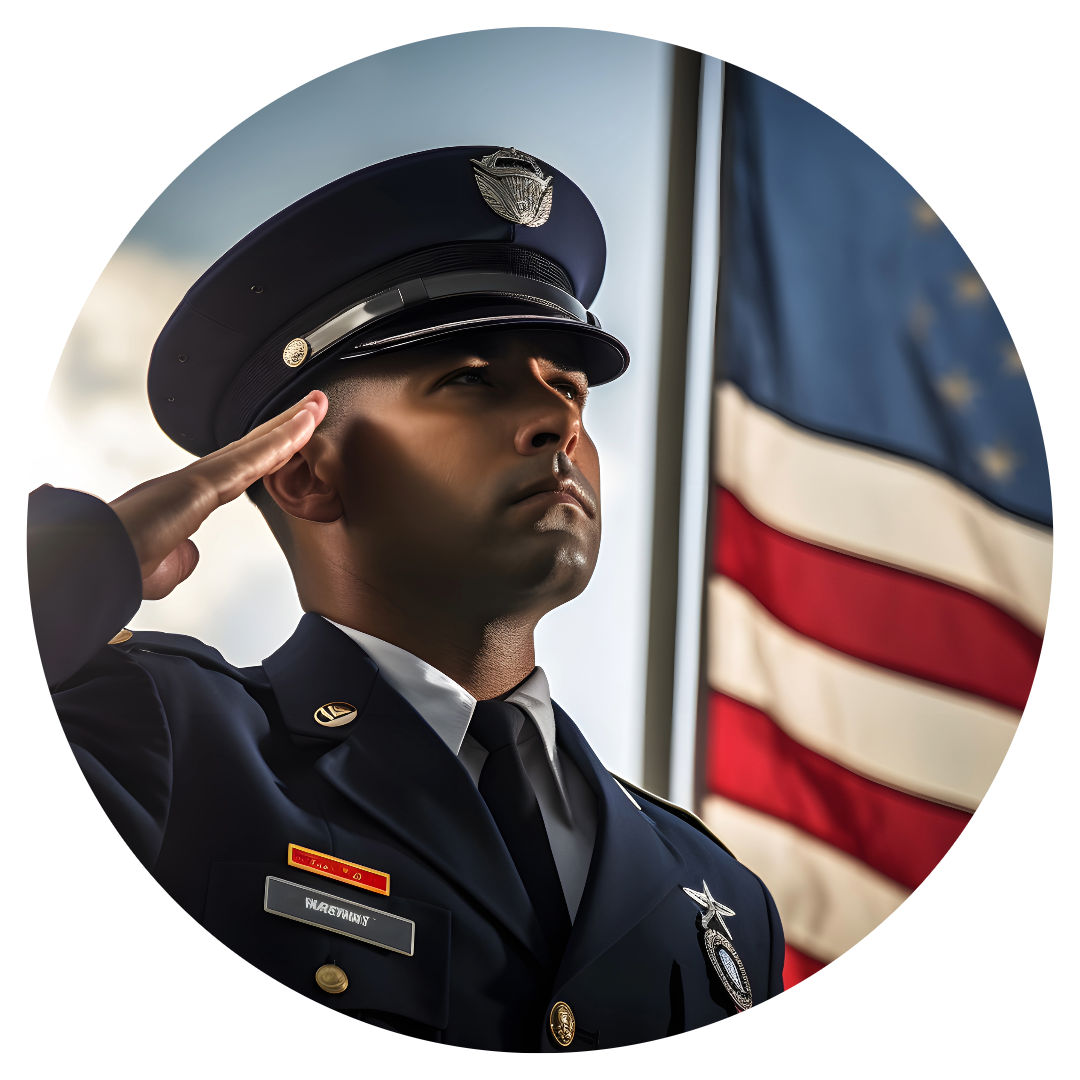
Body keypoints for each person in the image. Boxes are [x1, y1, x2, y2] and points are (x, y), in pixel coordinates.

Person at [28, 146, 783, 1059]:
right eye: (470, 380)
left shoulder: (719, 896)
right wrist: (78, 559)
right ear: (303, 470)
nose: (563, 424)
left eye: (570, 390)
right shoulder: (156, 739)